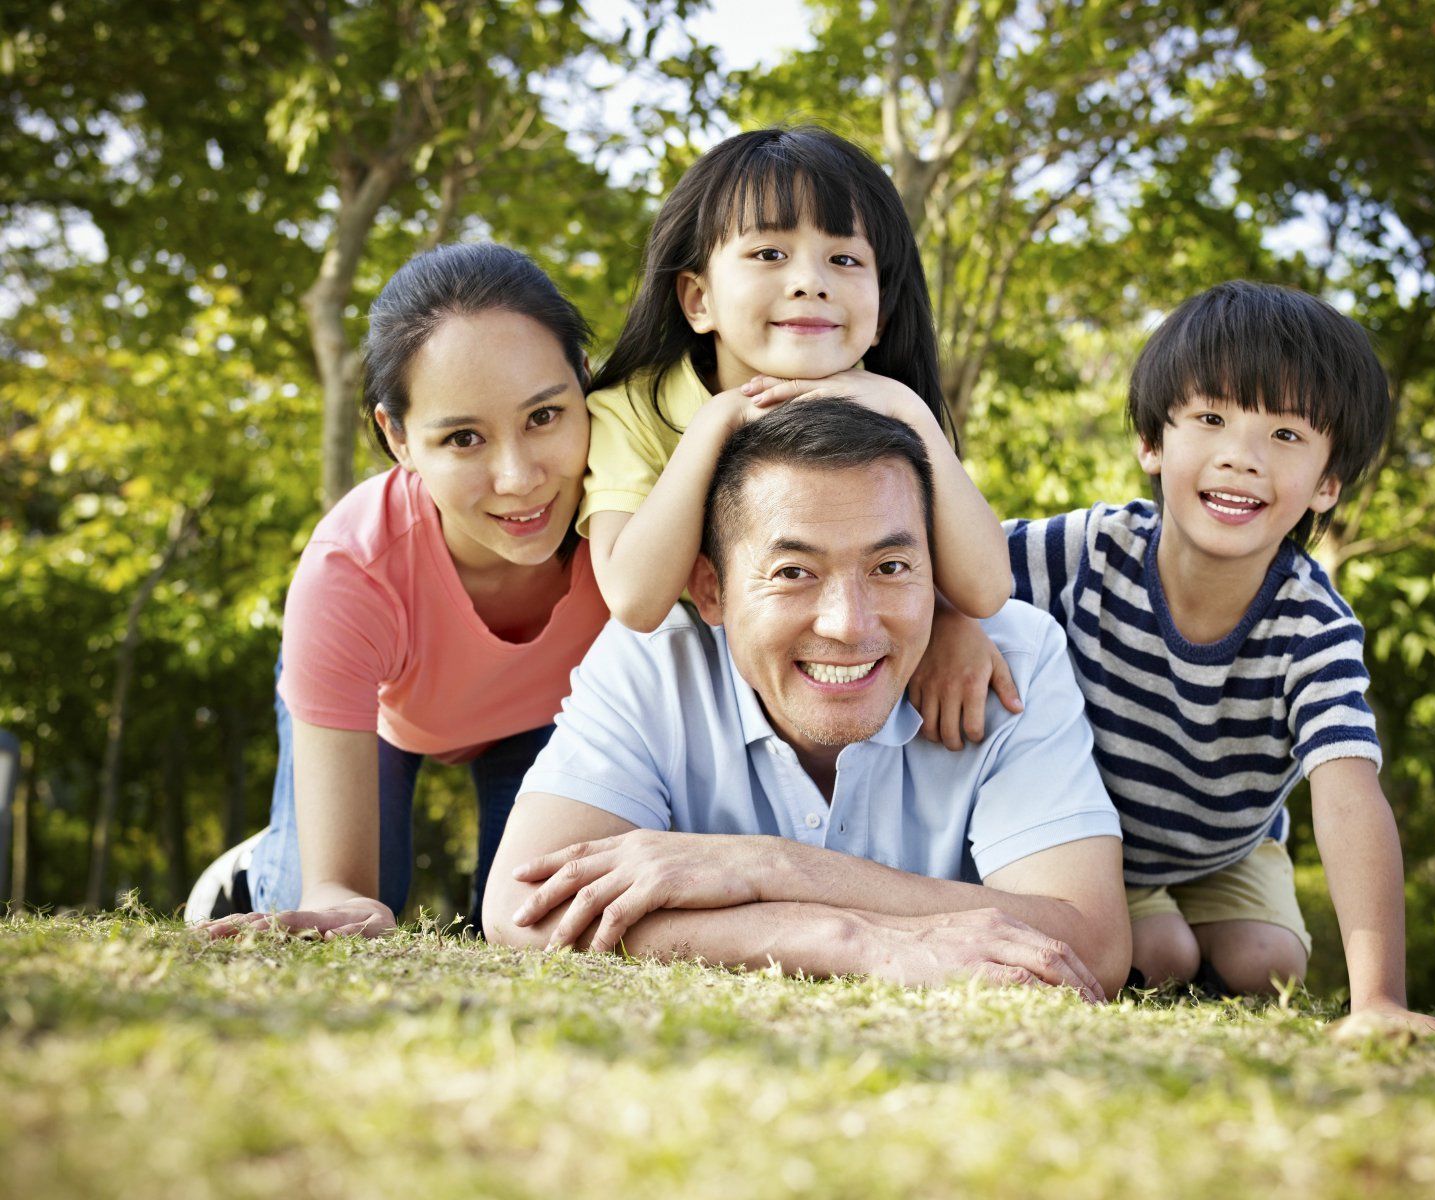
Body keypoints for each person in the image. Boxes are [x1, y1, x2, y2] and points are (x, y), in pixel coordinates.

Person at [923, 281, 1435, 1030]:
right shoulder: (1089, 550)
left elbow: (1347, 790)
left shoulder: (1313, 624)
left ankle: (1224, 946)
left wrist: (1378, 1000)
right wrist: (953, 617)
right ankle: (1163, 941)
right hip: (1097, 842)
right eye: (1210, 419)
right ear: (1153, 442)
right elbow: (949, 562)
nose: (1240, 458)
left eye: (1286, 436)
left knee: (1267, 965)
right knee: (1160, 954)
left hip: (1226, 846)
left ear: (1327, 483)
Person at [481, 400, 1130, 994]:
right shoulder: (650, 664)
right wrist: (850, 942)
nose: (849, 624)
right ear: (710, 590)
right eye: (794, 573)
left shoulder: (1012, 659)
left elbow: (1093, 943)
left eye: (891, 568)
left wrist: (774, 867)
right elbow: (523, 910)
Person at [189, 243, 610, 938]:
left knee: (538, 918)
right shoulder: (351, 570)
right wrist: (334, 893)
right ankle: (257, 865)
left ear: (585, 382)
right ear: (399, 438)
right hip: (385, 716)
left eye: (544, 417)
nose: (520, 478)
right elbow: (341, 891)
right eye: (464, 438)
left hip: (548, 718)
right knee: (351, 901)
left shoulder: (635, 520)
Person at [579, 125, 1012, 641]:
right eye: (769, 254)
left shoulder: (888, 406)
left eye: (845, 259)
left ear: (879, 319)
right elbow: (634, 600)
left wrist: (910, 411)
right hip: (693, 662)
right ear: (700, 300)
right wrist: (720, 419)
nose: (811, 282)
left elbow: (987, 591)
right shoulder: (629, 409)